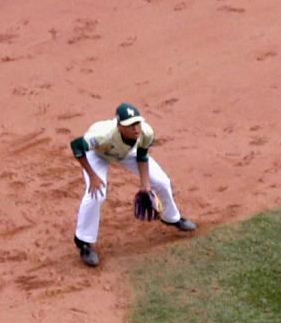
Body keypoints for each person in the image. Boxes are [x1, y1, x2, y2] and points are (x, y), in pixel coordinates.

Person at [69, 104, 193, 268]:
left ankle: (171, 218)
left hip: (127, 152)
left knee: (162, 181)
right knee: (97, 193)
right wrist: (93, 177)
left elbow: (142, 156)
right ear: (119, 126)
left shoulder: (145, 133)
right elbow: (76, 146)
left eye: (137, 123)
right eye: (130, 125)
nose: (136, 129)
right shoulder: (102, 135)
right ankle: (83, 242)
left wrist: (146, 185)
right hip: (98, 153)